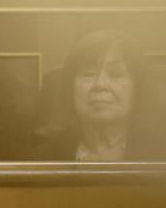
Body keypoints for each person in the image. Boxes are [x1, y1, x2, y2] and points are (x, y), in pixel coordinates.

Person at [33, 31, 153, 161]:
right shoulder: (38, 162)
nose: (100, 84)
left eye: (115, 74)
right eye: (88, 74)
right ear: (71, 89)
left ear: (137, 87)